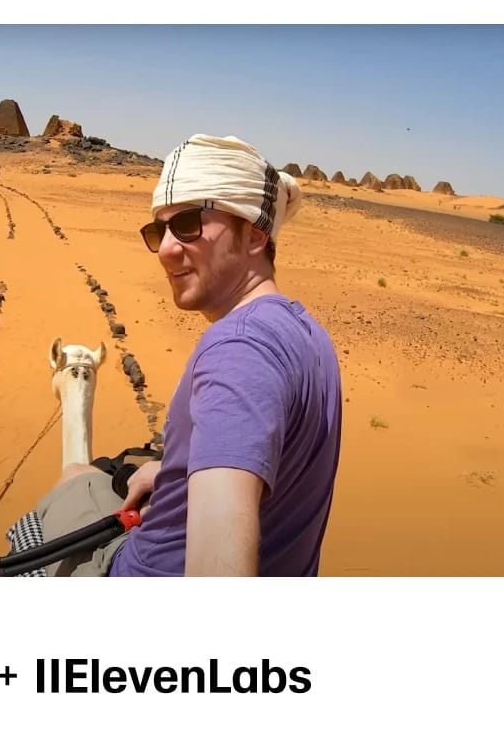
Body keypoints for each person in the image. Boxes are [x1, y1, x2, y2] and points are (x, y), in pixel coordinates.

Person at [35, 133, 343, 576]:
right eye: (158, 230)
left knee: (72, 479)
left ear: (255, 236)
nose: (165, 249)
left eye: (188, 225)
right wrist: (171, 474)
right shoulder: (307, 333)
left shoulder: (238, 350)